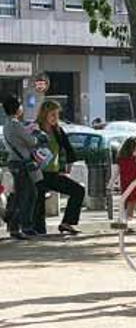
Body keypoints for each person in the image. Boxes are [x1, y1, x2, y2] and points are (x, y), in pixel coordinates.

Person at [34, 100, 84, 235]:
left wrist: (65, 169)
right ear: (44, 114)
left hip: (53, 173)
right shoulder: (35, 129)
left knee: (78, 190)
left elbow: (69, 150)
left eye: (57, 114)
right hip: (37, 172)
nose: (56, 118)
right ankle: (38, 230)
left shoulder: (58, 130)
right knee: (38, 199)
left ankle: (67, 223)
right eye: (52, 114)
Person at [2, 96, 44, 240]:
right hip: (22, 163)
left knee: (26, 194)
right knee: (26, 195)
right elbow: (31, 141)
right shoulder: (15, 125)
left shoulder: (7, 125)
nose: (22, 108)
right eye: (20, 105)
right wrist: (37, 135)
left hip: (15, 162)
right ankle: (18, 226)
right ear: (16, 108)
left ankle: (23, 225)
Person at [116, 136, 136, 220]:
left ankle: (123, 219)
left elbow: (116, 172)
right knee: (132, 203)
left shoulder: (120, 158)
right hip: (135, 181)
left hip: (125, 182)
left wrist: (112, 183)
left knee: (126, 201)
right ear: (135, 146)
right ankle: (128, 221)